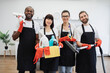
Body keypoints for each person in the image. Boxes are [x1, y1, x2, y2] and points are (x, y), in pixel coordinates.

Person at [12, 6, 40, 73]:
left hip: (32, 51)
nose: (29, 12)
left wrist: (37, 48)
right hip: (22, 51)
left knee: (32, 70)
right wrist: (20, 27)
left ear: (33, 13)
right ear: (24, 12)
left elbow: (37, 38)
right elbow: (14, 37)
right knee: (21, 70)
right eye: (27, 11)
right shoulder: (19, 22)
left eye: (31, 11)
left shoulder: (36, 24)